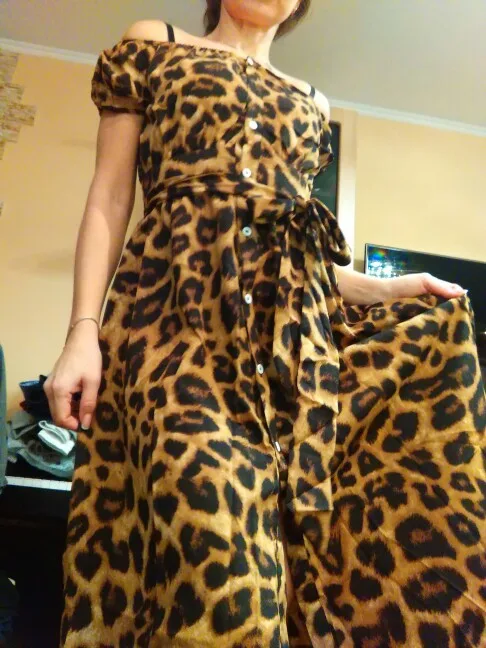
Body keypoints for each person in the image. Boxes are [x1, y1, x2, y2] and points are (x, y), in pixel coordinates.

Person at [45, 1, 486, 646]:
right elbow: (110, 198)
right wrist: (82, 331)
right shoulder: (156, 45)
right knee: (208, 537)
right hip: (174, 331)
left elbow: (295, 257)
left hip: (290, 360)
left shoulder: (311, 103)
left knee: (291, 563)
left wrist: (391, 289)